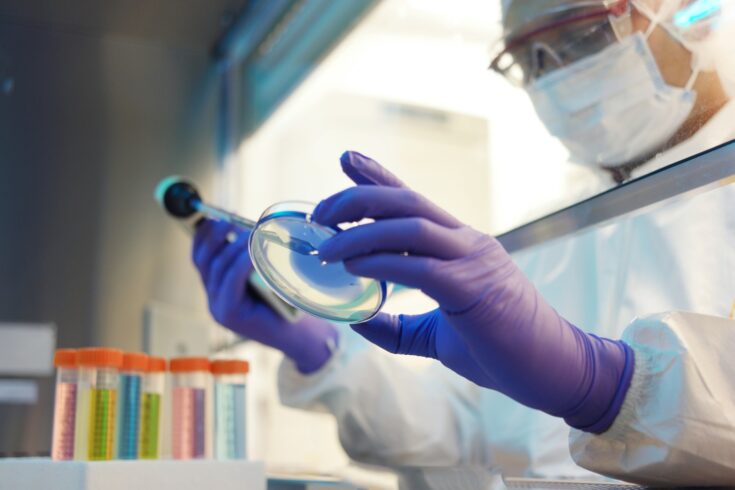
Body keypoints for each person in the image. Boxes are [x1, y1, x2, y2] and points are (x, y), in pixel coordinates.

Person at [192, 0, 735, 487]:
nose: (555, 77)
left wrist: (607, 387)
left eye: (580, 36)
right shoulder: (551, 226)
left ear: (696, 12)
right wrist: (321, 353)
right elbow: (463, 431)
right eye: (529, 62)